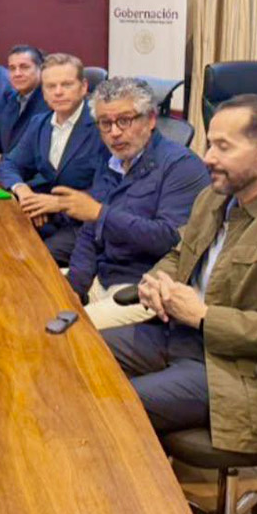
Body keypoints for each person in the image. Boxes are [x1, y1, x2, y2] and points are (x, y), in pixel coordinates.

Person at [102, 95, 257, 453]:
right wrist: (156, 282)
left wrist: (205, 317)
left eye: (223, 147)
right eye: (209, 144)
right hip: (183, 335)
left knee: (110, 405)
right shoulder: (215, 196)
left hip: (244, 371)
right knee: (75, 353)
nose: (208, 157)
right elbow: (180, 254)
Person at [61, 78, 210, 328]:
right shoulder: (111, 160)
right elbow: (89, 234)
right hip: (102, 275)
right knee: (35, 293)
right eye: (105, 123)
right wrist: (75, 287)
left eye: (124, 120)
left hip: (144, 288)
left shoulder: (181, 166)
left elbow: (169, 240)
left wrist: (101, 214)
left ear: (150, 120)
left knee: (68, 331)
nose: (114, 132)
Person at [0, 53, 104, 265]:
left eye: (66, 84)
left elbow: (112, 188)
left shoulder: (102, 126)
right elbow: (9, 164)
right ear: (43, 92)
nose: (58, 92)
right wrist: (24, 193)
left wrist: (59, 204)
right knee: (0, 238)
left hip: (85, 224)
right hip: (47, 214)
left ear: (83, 87)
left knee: (34, 261)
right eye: (50, 86)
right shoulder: (40, 123)